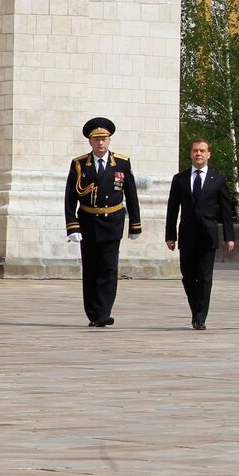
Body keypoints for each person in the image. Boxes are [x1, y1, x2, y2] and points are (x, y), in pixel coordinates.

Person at [64, 117, 141, 327]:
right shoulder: (80, 164)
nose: (100, 143)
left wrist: (135, 223)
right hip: (88, 221)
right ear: (89, 141)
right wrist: (72, 225)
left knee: (109, 268)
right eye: (96, 139)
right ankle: (92, 312)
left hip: (112, 221)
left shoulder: (122, 162)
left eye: (104, 139)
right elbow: (70, 196)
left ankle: (104, 312)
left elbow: (131, 194)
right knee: (91, 269)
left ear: (109, 140)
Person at [165, 138, 237, 330]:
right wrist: (170, 235)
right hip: (187, 235)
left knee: (205, 278)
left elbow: (226, 210)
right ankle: (196, 308)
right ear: (191, 154)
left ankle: (200, 317)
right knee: (188, 277)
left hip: (208, 235)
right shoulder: (179, 179)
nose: (198, 154)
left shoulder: (218, 179)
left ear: (208, 154)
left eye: (202, 151)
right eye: (195, 150)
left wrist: (229, 237)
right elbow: (172, 209)